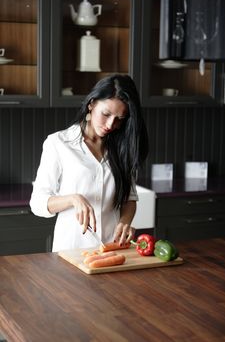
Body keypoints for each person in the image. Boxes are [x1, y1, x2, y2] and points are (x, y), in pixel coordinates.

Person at [30, 74, 149, 252]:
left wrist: (125, 222)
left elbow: (129, 199)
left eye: (119, 119)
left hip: (113, 249)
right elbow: (38, 203)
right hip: (71, 250)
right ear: (91, 104)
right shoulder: (58, 143)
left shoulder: (124, 148)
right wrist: (72, 199)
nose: (111, 124)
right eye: (106, 114)